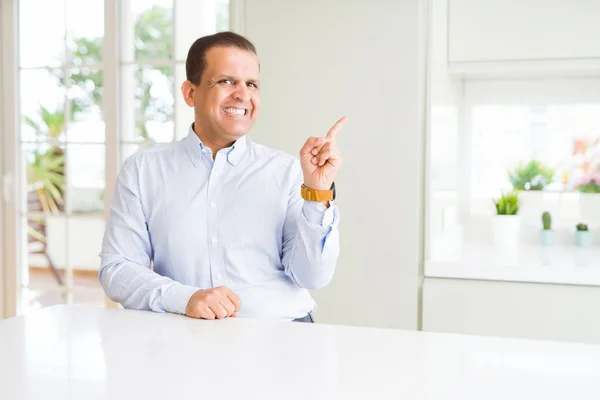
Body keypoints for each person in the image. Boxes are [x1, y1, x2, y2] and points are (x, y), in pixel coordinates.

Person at [99, 31, 345, 322]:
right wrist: (185, 297)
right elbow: (117, 268)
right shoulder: (142, 170)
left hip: (284, 334)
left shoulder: (287, 171)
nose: (242, 94)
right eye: (227, 81)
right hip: (185, 334)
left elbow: (312, 276)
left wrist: (317, 192)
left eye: (251, 84)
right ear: (191, 92)